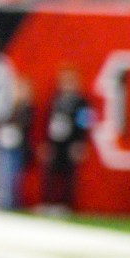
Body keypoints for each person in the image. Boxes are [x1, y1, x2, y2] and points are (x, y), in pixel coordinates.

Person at [39, 65, 91, 215]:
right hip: (55, 140)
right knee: (50, 173)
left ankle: (65, 204)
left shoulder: (81, 102)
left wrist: (80, 142)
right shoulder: (55, 99)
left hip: (71, 141)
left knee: (68, 174)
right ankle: (49, 202)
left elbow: (84, 123)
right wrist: (46, 142)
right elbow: (48, 121)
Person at [0, 31, 26, 210]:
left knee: (2, 160)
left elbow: (13, 90)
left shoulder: (2, 63)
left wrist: (8, 114)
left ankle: (2, 201)